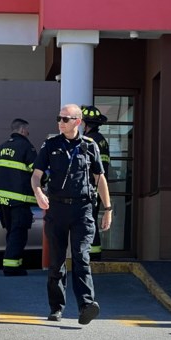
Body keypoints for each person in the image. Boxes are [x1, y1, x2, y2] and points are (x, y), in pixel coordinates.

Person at [31, 104, 112, 324]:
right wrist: (38, 192)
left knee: (81, 257)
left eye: (65, 119)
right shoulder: (50, 145)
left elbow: (99, 178)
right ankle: (56, 308)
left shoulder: (90, 146)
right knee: (57, 261)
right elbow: (36, 176)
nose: (60, 122)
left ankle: (86, 305)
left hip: (83, 209)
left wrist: (108, 209)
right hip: (57, 209)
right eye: (59, 118)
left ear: (77, 121)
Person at [0, 118, 38, 276]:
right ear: (23, 130)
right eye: (28, 130)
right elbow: (36, 171)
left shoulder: (1, 147)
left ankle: (15, 264)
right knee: (19, 233)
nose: (28, 133)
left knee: (12, 232)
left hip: (3, 200)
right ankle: (11, 267)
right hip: (19, 199)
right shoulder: (26, 146)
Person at [81, 106, 111, 261]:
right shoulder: (102, 141)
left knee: (87, 222)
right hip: (98, 187)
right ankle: (94, 254)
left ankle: (92, 257)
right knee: (90, 220)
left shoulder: (89, 141)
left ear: (86, 125)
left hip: (90, 188)